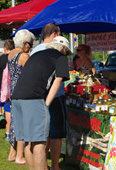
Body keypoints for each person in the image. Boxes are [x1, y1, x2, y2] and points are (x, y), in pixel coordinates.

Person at [11, 36, 72, 170]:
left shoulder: (36, 54)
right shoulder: (61, 58)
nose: (66, 55)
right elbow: (58, 81)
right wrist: (47, 104)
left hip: (16, 98)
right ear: (63, 49)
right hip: (33, 98)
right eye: (67, 52)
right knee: (40, 143)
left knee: (28, 141)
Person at [31, 23, 67, 170]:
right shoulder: (56, 51)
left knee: (43, 134)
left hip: (37, 96)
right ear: (54, 34)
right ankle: (55, 166)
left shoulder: (35, 51)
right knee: (56, 133)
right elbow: (58, 79)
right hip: (55, 96)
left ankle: (43, 164)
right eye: (59, 34)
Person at [7, 29, 35, 164]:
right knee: (22, 125)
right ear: (24, 43)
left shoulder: (11, 54)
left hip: (14, 90)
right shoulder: (24, 56)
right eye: (30, 44)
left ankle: (13, 154)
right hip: (24, 92)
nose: (30, 47)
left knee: (16, 123)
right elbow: (32, 75)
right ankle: (20, 155)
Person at [0, 39, 15, 141]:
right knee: (10, 109)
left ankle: (7, 132)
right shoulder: (15, 57)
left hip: (2, 86)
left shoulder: (2, 58)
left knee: (7, 110)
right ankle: (12, 131)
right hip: (13, 86)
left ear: (5, 48)